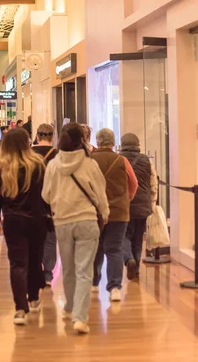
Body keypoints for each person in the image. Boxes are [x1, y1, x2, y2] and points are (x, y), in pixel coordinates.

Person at [42, 123, 109, 335]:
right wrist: (105, 215)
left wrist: (59, 202)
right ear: (81, 140)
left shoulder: (53, 166)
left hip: (62, 221)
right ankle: (80, 317)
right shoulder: (89, 164)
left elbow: (46, 195)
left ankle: (70, 308)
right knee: (84, 270)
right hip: (87, 220)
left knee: (69, 268)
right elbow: (100, 194)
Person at [0, 129, 47, 326]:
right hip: (37, 219)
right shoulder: (38, 165)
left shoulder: (0, 168)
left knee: (17, 263)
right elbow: (45, 195)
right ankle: (34, 297)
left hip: (13, 220)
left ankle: (20, 309)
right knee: (35, 259)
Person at [91, 128, 138, 301]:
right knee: (115, 249)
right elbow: (134, 184)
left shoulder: (89, 160)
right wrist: (126, 199)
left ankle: (94, 283)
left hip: (95, 212)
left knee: (95, 248)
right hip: (119, 212)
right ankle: (115, 288)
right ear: (113, 142)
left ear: (97, 141)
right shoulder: (122, 160)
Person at [120, 133, 157, 279]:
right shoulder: (146, 160)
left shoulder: (118, 160)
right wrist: (152, 203)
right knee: (138, 237)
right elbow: (153, 184)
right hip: (143, 205)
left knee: (124, 235)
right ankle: (136, 268)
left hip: (124, 204)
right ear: (137, 144)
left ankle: (129, 259)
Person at [32, 123, 58, 287]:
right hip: (53, 202)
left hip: (32, 201)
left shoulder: (28, 153)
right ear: (52, 137)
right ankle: (48, 273)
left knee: (34, 238)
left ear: (37, 136)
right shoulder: (58, 155)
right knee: (50, 238)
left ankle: (35, 270)